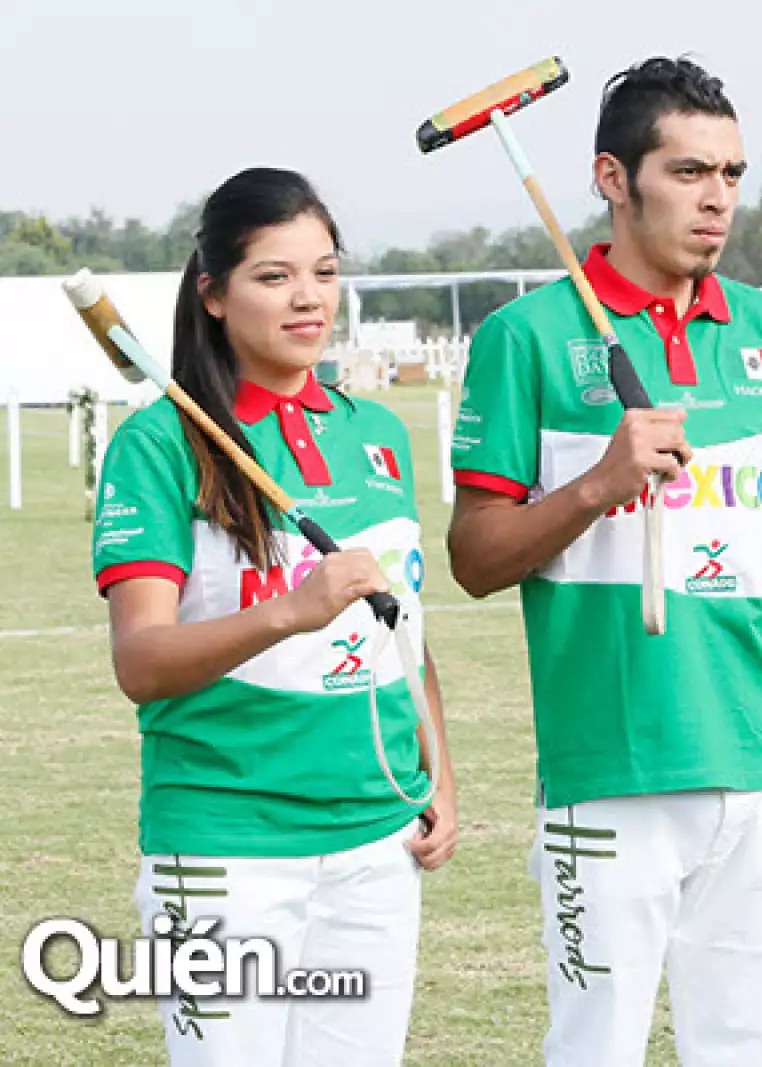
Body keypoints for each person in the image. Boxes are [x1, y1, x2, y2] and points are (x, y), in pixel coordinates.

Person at [446, 57, 762, 1067]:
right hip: (610, 768)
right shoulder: (526, 337)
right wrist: (594, 485)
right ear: (612, 178)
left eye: (731, 173)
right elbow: (473, 558)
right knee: (596, 1048)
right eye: (686, 171)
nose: (716, 199)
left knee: (746, 1045)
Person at [92, 167, 457, 1065]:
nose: (309, 298)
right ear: (213, 294)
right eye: (275, 275)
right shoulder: (160, 443)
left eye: (325, 273)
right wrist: (287, 613)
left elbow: (402, 632)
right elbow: (142, 661)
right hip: (226, 851)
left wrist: (438, 769)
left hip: (376, 839)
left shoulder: (377, 432)